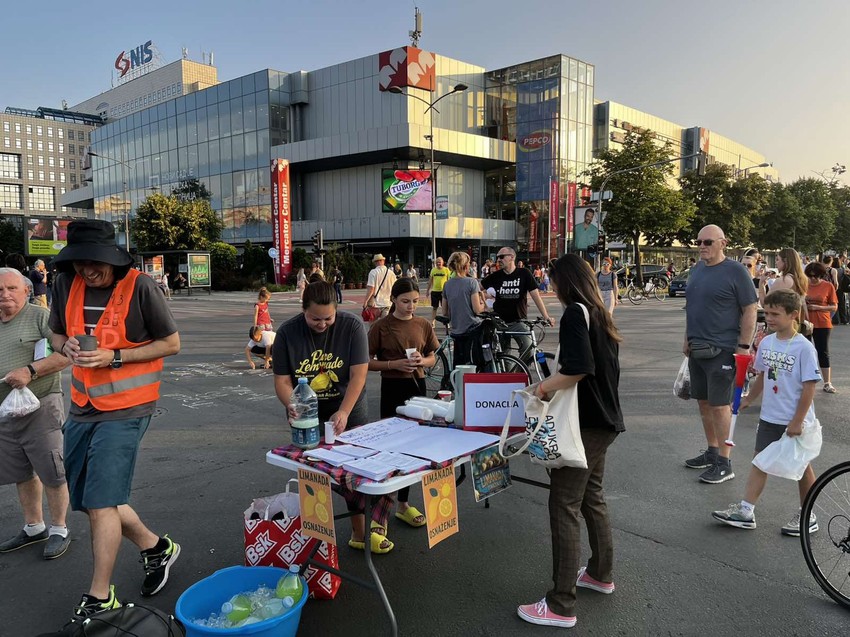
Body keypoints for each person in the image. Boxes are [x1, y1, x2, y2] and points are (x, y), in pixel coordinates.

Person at [49, 220, 181, 622]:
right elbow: (55, 334)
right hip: (82, 404)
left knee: (102, 499)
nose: (88, 271)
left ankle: (99, 595)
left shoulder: (140, 286)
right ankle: (156, 548)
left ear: (113, 258)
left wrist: (116, 357)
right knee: (89, 497)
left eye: (96, 262)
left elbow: (172, 343)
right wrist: (66, 345)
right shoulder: (64, 284)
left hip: (128, 406)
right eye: (80, 263)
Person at [516, 254, 624, 630]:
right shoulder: (599, 313)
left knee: (563, 504)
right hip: (605, 422)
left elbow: (577, 368)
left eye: (552, 281)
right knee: (591, 497)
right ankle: (599, 572)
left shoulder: (576, 314)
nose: (549, 287)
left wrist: (541, 387)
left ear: (564, 282)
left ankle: (561, 604)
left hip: (585, 425)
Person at [272, 282, 391, 552]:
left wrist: (345, 411)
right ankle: (318, 541)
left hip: (347, 406)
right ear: (303, 310)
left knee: (355, 472)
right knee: (313, 473)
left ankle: (360, 534)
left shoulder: (351, 327)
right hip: (306, 413)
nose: (322, 324)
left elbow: (359, 374)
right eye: (315, 318)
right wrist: (292, 404)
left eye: (328, 318)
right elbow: (281, 380)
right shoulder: (288, 333)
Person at [712, 289, 821, 536]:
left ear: (793, 315)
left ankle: (808, 514)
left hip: (795, 421)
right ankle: (746, 511)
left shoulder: (803, 348)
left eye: (775, 314)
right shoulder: (767, 342)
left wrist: (798, 420)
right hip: (770, 417)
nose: (769, 318)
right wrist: (749, 398)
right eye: (767, 313)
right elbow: (764, 373)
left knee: (802, 467)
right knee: (760, 461)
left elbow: (809, 386)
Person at [0, 268, 72, 560]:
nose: (4, 294)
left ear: (27, 291)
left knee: (51, 469)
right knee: (21, 470)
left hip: (41, 404)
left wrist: (30, 371)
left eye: (11, 288)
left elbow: (67, 353)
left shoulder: (40, 316)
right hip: (6, 410)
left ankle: (59, 529)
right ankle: (34, 527)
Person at [683, 225, 758, 484]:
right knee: (703, 402)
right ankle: (712, 452)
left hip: (724, 349)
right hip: (697, 348)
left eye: (707, 242)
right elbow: (691, 307)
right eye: (699, 241)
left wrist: (744, 346)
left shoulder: (736, 271)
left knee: (720, 405)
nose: (702, 245)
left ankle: (725, 462)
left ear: (723, 243)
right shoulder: (697, 270)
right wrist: (687, 338)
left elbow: (750, 309)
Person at [367, 278, 438, 535]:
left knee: (412, 450)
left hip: (418, 389)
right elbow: (366, 361)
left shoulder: (423, 324)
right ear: (394, 300)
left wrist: (423, 360)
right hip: (392, 389)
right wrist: (393, 365)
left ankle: (404, 504)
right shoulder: (381, 326)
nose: (411, 306)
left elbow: (433, 356)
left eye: (415, 302)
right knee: (388, 448)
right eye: (406, 301)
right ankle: (380, 512)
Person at [480, 246, 555, 363]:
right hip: (499, 321)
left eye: (501, 257)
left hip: (519, 321)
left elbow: (536, 296)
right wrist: (481, 303)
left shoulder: (524, 273)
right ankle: (507, 378)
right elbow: (477, 289)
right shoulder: (496, 276)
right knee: (503, 355)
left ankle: (519, 373)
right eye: (497, 257)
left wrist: (546, 317)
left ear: (512, 257)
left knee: (528, 347)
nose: (498, 260)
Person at [441, 251, 485, 366]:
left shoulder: (447, 284)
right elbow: (477, 310)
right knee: (474, 363)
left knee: (459, 364)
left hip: (456, 330)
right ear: (466, 266)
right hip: (472, 328)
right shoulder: (472, 282)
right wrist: (483, 304)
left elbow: (444, 311)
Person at [804, 261, 838, 393]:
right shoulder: (803, 285)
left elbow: (834, 306)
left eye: (816, 276)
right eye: (810, 276)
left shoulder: (828, 286)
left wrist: (818, 307)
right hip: (805, 322)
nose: (813, 279)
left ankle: (827, 382)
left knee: (822, 351)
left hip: (822, 322)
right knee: (804, 352)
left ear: (821, 275)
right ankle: (804, 380)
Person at [363, 254, 397, 320]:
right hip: (388, 303)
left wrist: (365, 301)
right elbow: (395, 287)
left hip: (375, 304)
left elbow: (371, 289)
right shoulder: (391, 273)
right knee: (385, 327)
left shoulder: (373, 272)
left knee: (373, 327)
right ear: (383, 261)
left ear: (375, 262)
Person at [426, 256, 451, 326]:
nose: (438, 263)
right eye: (437, 262)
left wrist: (449, 290)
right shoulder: (433, 270)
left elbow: (449, 281)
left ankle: (446, 322)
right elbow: (430, 281)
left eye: (439, 262)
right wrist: (428, 291)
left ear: (442, 263)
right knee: (434, 307)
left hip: (443, 292)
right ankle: (432, 322)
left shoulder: (446, 270)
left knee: (445, 308)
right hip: (435, 291)